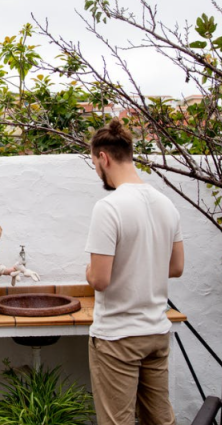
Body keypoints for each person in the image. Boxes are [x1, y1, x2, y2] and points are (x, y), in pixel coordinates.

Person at [85, 118, 185, 425]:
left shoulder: (109, 207)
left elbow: (100, 279)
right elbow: (176, 267)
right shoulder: (166, 204)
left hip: (118, 337)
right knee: (160, 420)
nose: (97, 171)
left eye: (94, 164)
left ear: (104, 158)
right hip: (156, 332)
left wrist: (88, 270)